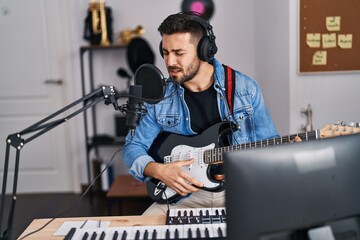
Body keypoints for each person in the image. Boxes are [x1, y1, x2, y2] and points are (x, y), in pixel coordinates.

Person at [122, 12, 279, 215]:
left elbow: (269, 141)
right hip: (182, 195)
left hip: (236, 193)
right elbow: (132, 147)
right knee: (141, 232)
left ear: (205, 51)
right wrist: (158, 170)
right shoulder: (160, 97)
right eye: (165, 52)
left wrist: (282, 153)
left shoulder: (244, 89)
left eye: (178, 53)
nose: (169, 62)